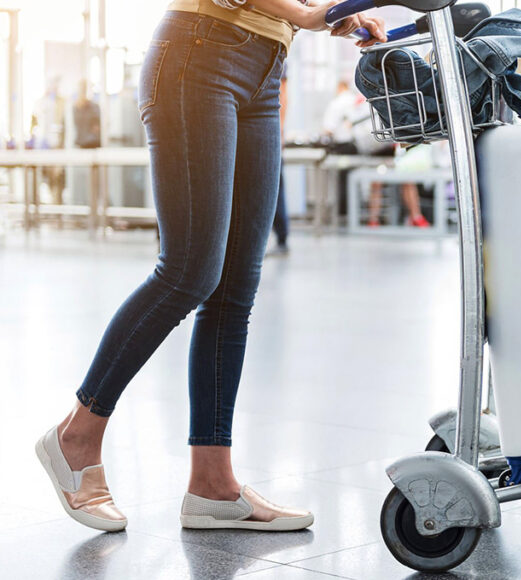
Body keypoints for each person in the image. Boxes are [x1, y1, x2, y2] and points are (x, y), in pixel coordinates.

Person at [35, 0, 385, 533]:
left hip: (267, 67)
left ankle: (212, 486)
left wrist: (335, 13)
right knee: (189, 271)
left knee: (235, 288)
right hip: (200, 53)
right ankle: (76, 435)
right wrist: (308, 14)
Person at [267, 66, 290, 256]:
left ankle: (281, 238)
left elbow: (283, 93)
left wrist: (279, 129)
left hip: (271, 129)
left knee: (273, 185)